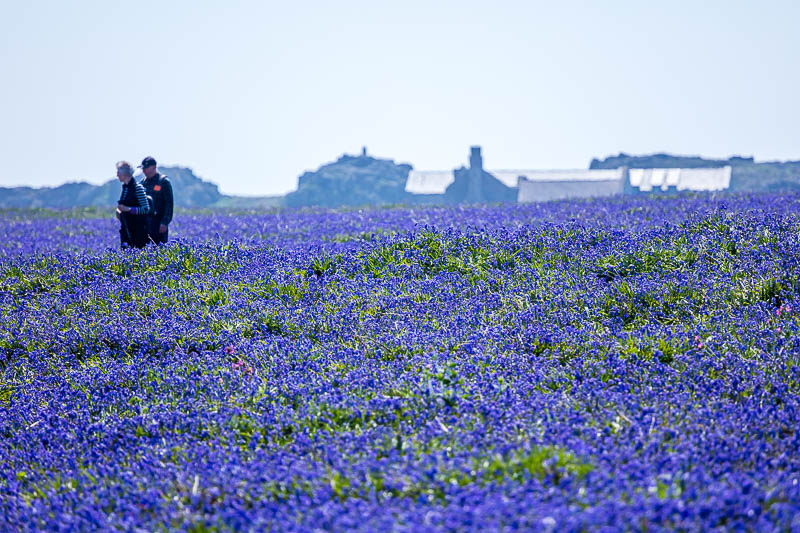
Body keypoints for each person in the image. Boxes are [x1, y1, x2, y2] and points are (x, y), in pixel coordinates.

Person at [138, 156, 174, 244]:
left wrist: (165, 222)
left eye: (146, 168)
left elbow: (169, 204)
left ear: (154, 167)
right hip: (144, 222)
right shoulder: (142, 183)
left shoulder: (163, 182)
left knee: (159, 249)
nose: (144, 171)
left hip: (158, 222)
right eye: (143, 168)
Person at [115, 161, 150, 248]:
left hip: (138, 230)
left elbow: (146, 209)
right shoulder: (125, 188)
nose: (117, 175)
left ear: (125, 174)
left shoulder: (138, 188)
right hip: (126, 229)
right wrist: (119, 211)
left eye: (118, 172)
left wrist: (128, 209)